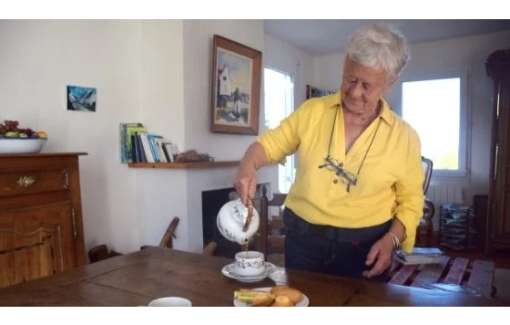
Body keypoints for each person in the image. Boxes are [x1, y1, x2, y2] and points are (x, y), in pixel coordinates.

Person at [234, 24, 424, 281]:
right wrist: (247, 166)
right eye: (350, 79)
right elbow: (268, 145)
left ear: (389, 83)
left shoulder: (405, 137)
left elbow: (411, 204)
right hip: (303, 244)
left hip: (366, 250)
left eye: (367, 85)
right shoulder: (312, 111)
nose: (355, 92)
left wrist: (391, 241)